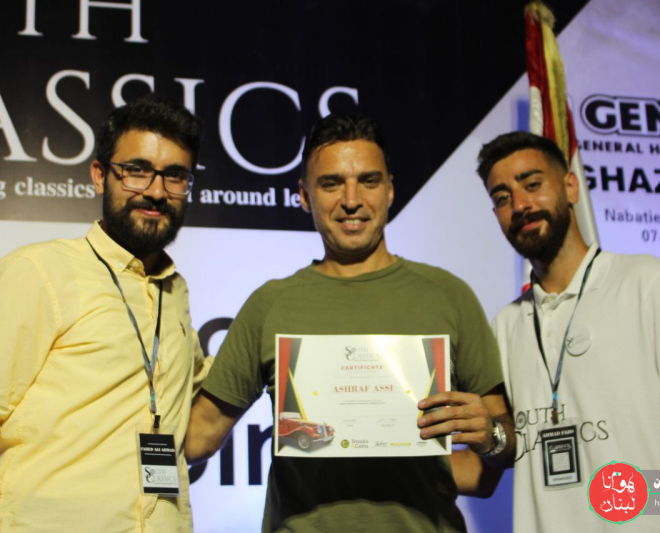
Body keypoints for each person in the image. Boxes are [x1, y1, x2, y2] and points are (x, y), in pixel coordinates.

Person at [186, 113, 514, 532]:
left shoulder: (448, 296)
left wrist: (491, 437)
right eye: (332, 183)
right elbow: (197, 438)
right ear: (304, 196)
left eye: (369, 181)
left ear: (390, 189)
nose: (352, 200)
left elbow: (492, 461)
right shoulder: (271, 305)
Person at [0, 94, 211, 532]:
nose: (156, 191)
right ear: (99, 175)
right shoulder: (37, 272)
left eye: (174, 176)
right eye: (137, 170)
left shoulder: (174, 291)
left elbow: (201, 407)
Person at [476, 131, 660, 532]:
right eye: (502, 197)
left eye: (532, 184)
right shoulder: (505, 325)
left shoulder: (646, 282)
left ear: (570, 187)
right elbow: (496, 456)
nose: (520, 205)